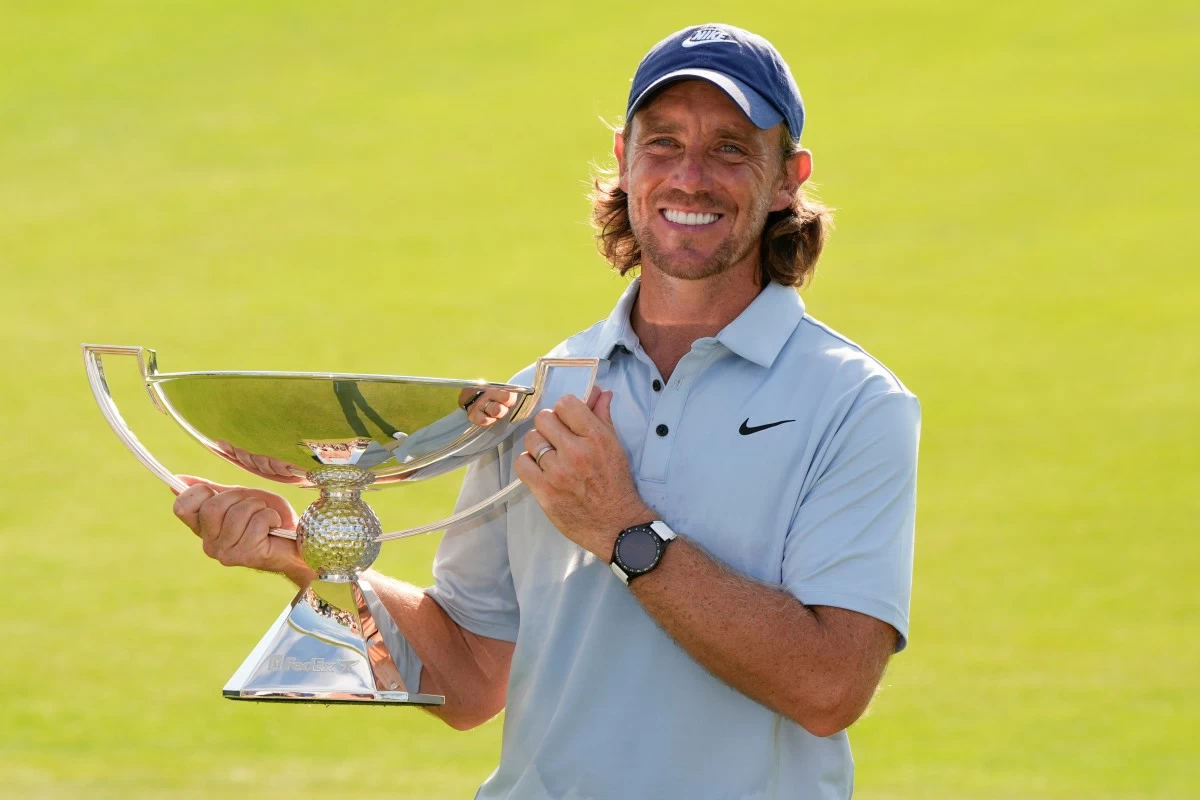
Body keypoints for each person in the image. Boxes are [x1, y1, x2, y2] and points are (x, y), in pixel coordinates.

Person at [172, 23, 920, 799]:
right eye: (663, 144)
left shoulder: (855, 403)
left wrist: (625, 531)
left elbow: (830, 688)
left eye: (731, 149)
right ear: (626, 162)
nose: (690, 177)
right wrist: (311, 556)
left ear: (788, 178)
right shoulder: (540, 393)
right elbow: (468, 678)